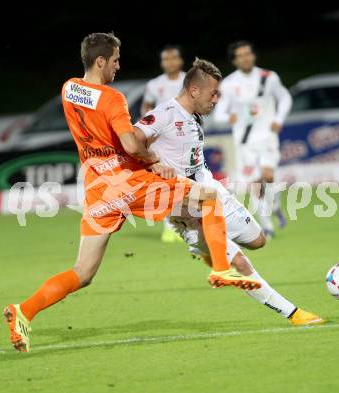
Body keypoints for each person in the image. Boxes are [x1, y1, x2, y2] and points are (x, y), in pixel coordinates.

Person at [3, 33, 260, 353]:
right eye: (115, 60)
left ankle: (23, 312)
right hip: (126, 182)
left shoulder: (69, 88)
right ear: (101, 61)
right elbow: (129, 143)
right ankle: (221, 268)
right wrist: (155, 161)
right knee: (207, 197)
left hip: (96, 188)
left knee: (82, 273)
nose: (118, 66)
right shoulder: (112, 98)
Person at [135, 58, 324, 326]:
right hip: (184, 203)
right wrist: (154, 164)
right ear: (194, 91)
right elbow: (131, 139)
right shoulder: (165, 114)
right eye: (213, 93)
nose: (216, 99)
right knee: (240, 264)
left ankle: (206, 251)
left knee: (258, 240)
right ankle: (293, 314)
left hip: (210, 189)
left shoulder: (194, 115)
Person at [214, 41, 292, 239]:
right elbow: (219, 114)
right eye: (240, 55)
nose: (245, 58)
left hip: (267, 137)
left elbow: (285, 98)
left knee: (268, 176)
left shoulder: (269, 77)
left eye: (248, 53)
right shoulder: (230, 84)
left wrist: (278, 119)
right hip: (245, 143)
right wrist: (228, 118)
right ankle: (267, 226)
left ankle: (274, 203)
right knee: (256, 185)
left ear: (253, 55)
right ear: (234, 60)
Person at [141, 45, 186, 243]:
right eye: (165, 59)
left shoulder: (190, 80)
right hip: (162, 141)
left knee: (188, 181)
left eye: (173, 58)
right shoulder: (154, 85)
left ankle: (187, 224)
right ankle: (170, 227)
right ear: (162, 63)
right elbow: (147, 108)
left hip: (186, 138)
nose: (170, 62)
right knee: (168, 182)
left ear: (180, 60)